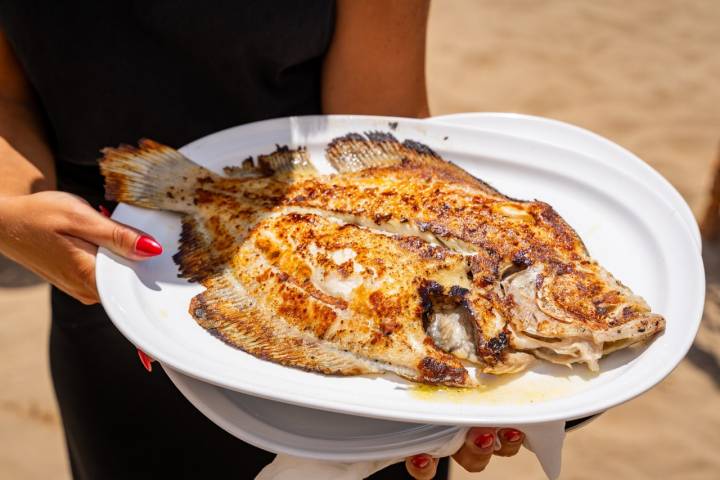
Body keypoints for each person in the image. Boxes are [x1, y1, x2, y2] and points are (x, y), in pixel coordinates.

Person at [0, 1, 524, 478]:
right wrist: (9, 212)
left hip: (352, 340)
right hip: (110, 278)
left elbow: (380, 119)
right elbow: (6, 97)